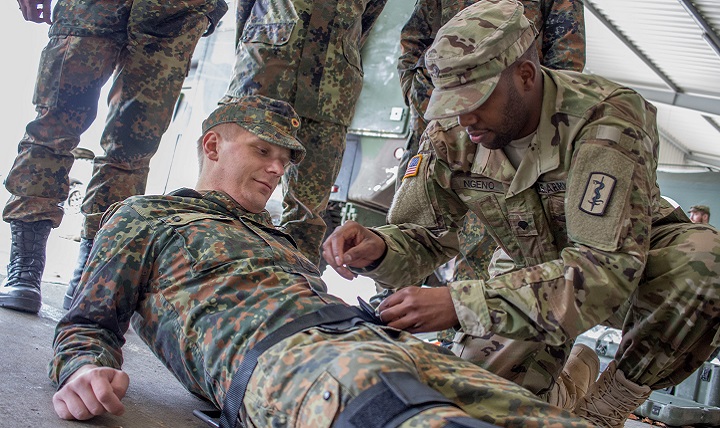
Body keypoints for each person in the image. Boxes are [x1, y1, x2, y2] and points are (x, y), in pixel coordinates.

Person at [49, 96, 594, 428]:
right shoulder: (148, 216)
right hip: (286, 361)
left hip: (378, 340)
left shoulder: (282, 238)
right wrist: (81, 370)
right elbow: (87, 321)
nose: (276, 169)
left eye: (284, 160)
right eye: (263, 151)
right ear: (213, 145)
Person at [321, 1, 720, 427]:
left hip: (630, 266)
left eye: (474, 100)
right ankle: (566, 387)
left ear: (526, 76)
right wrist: (379, 248)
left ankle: (605, 407)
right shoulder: (455, 132)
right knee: (475, 404)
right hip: (529, 265)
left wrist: (461, 304)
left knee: (705, 262)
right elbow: (423, 236)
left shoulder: (607, 116)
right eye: (451, 103)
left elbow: (605, 270)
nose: (463, 118)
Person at [1, 0, 228, 314]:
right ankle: (25, 266)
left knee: (132, 149)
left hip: (174, 11)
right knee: (53, 127)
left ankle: (93, 275)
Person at [394, 0, 586, 288]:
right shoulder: (445, 126)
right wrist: (440, 108)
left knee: (491, 243)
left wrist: (532, 120)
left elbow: (565, 62)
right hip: (441, 132)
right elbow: (413, 42)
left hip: (513, 138)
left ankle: (466, 322)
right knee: (415, 225)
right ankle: (393, 313)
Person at [219, 0, 388, 267]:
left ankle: (295, 292)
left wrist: (344, 53)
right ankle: (214, 274)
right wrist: (257, 40)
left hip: (331, 92)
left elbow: (368, 17)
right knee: (232, 192)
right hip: (267, 72)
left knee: (308, 214)